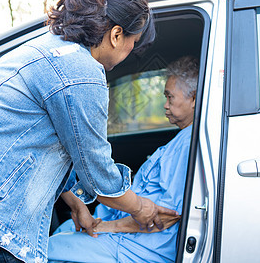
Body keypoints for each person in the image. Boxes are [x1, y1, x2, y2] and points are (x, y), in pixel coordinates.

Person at [0, 0, 178, 263]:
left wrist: (75, 202)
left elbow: (34, 139)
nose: (129, 53)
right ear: (115, 35)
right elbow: (98, 172)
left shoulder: (48, 48)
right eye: (132, 43)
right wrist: (140, 208)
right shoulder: (82, 72)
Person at [47, 56, 199, 263]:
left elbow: (170, 214)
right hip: (126, 230)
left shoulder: (187, 143)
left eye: (170, 97)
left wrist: (108, 228)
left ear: (194, 99)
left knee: (48, 251)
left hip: (138, 244)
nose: (165, 105)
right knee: (63, 231)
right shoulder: (182, 138)